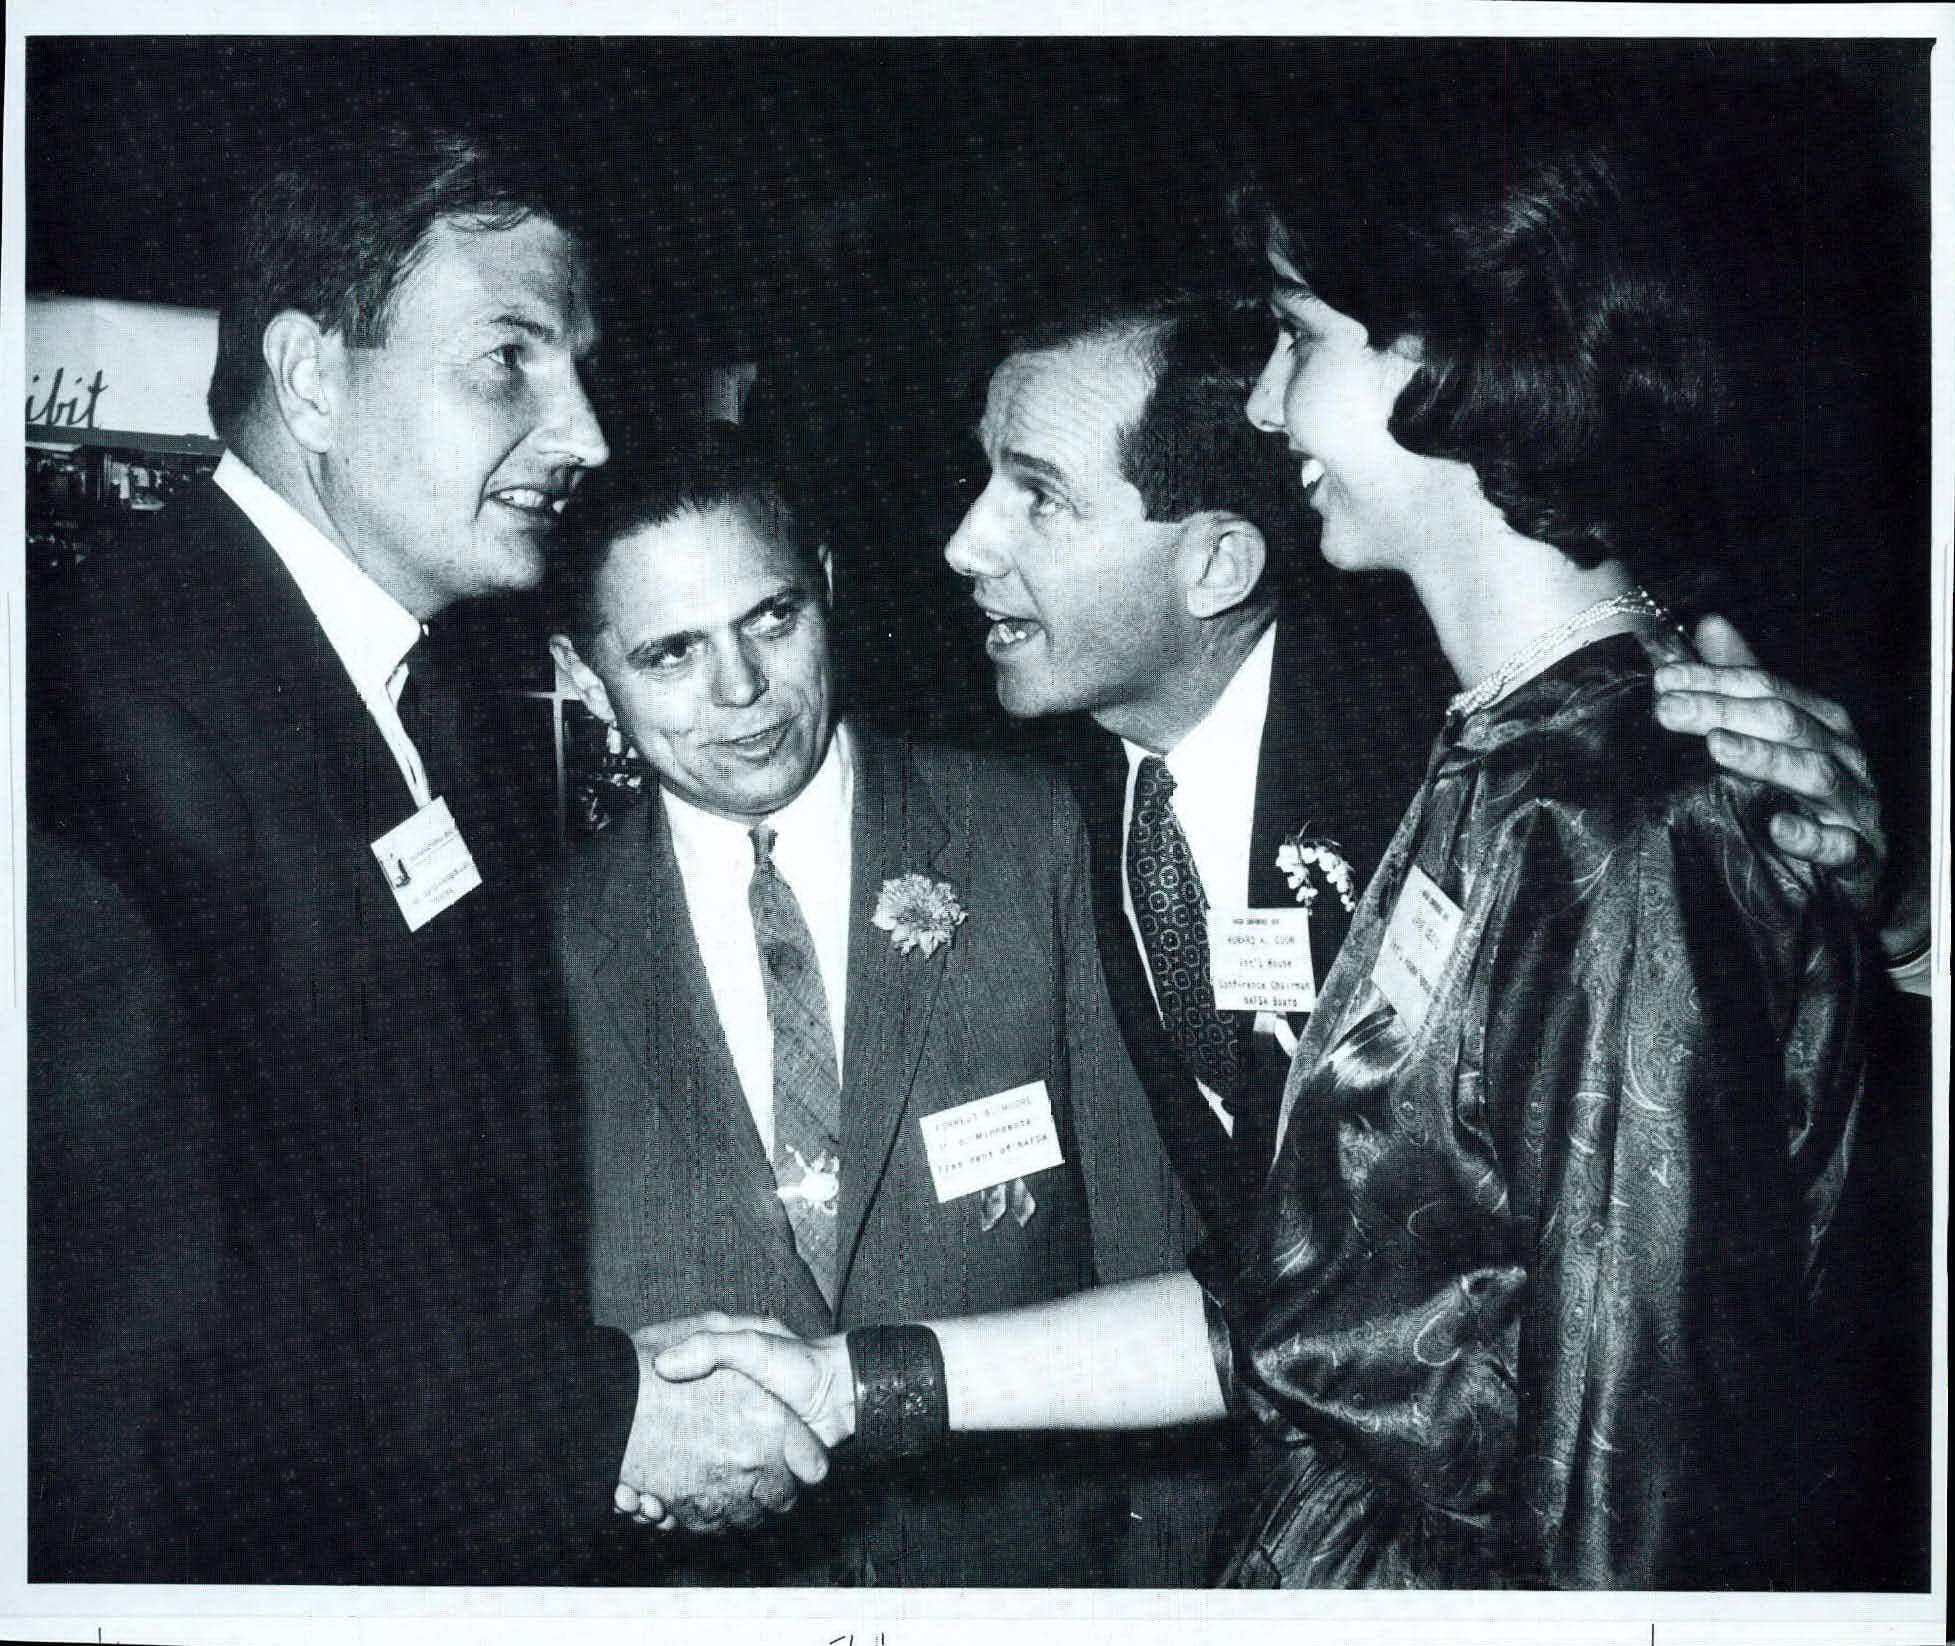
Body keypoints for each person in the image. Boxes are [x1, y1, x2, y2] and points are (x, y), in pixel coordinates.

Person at [648, 138, 1882, 1591]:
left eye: (1300, 338)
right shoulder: (1497, 761)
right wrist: (849, 1379)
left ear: (1455, 367)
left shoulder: (1612, 825)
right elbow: (1327, 1306)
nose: (1262, 396)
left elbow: (1634, 1492)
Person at [28, 127, 680, 1583]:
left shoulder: (420, 692)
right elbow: (128, 1407)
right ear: (313, 377)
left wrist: (597, 1376)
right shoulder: (87, 734)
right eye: (509, 359)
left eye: (578, 364)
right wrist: (592, 1423)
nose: (586, 434)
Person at [942, 295, 1912, 1266]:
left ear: (1217, 565)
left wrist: (1891, 909)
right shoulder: (1043, 799)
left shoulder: (1480, 752)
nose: (963, 544)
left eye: (1038, 495)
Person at [545, 441, 1197, 1586]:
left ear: (828, 587)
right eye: (670, 652)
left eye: (771, 617)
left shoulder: (1031, 835)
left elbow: (1163, 1262)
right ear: (586, 674)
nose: (740, 688)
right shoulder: (533, 943)